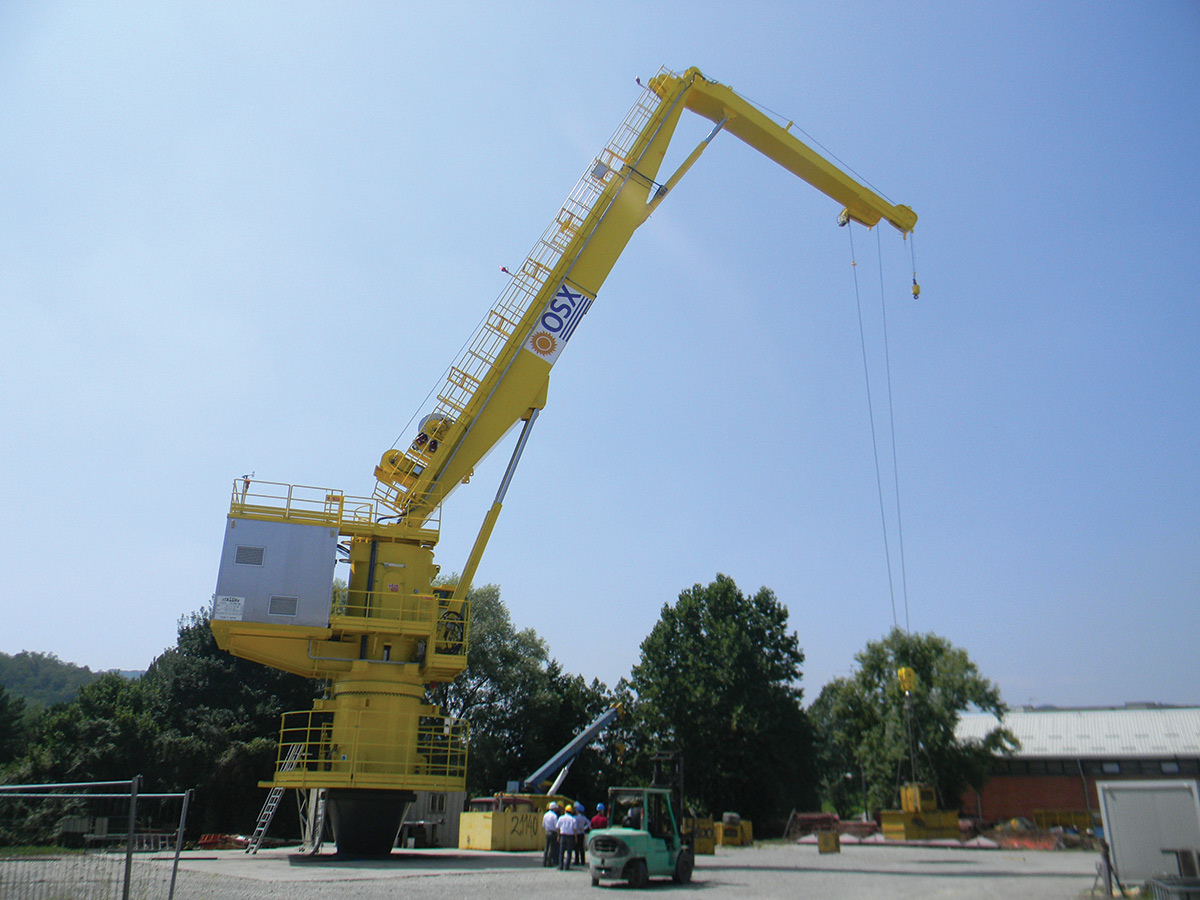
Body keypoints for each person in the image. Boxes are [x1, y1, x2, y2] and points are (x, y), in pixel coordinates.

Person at [557, 803, 579, 869]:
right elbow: (575, 829)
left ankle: (561, 866)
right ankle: (567, 866)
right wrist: (576, 837)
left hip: (563, 835)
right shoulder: (573, 819)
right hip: (570, 836)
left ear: (565, 811)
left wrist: (558, 836)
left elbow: (557, 827)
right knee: (569, 852)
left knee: (561, 851)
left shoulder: (561, 818)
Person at [542, 801, 560, 867]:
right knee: (551, 848)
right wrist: (558, 835)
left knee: (546, 848)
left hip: (547, 832)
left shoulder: (545, 815)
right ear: (554, 808)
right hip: (553, 832)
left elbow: (543, 825)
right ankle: (549, 862)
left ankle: (544, 862)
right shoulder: (554, 816)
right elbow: (556, 826)